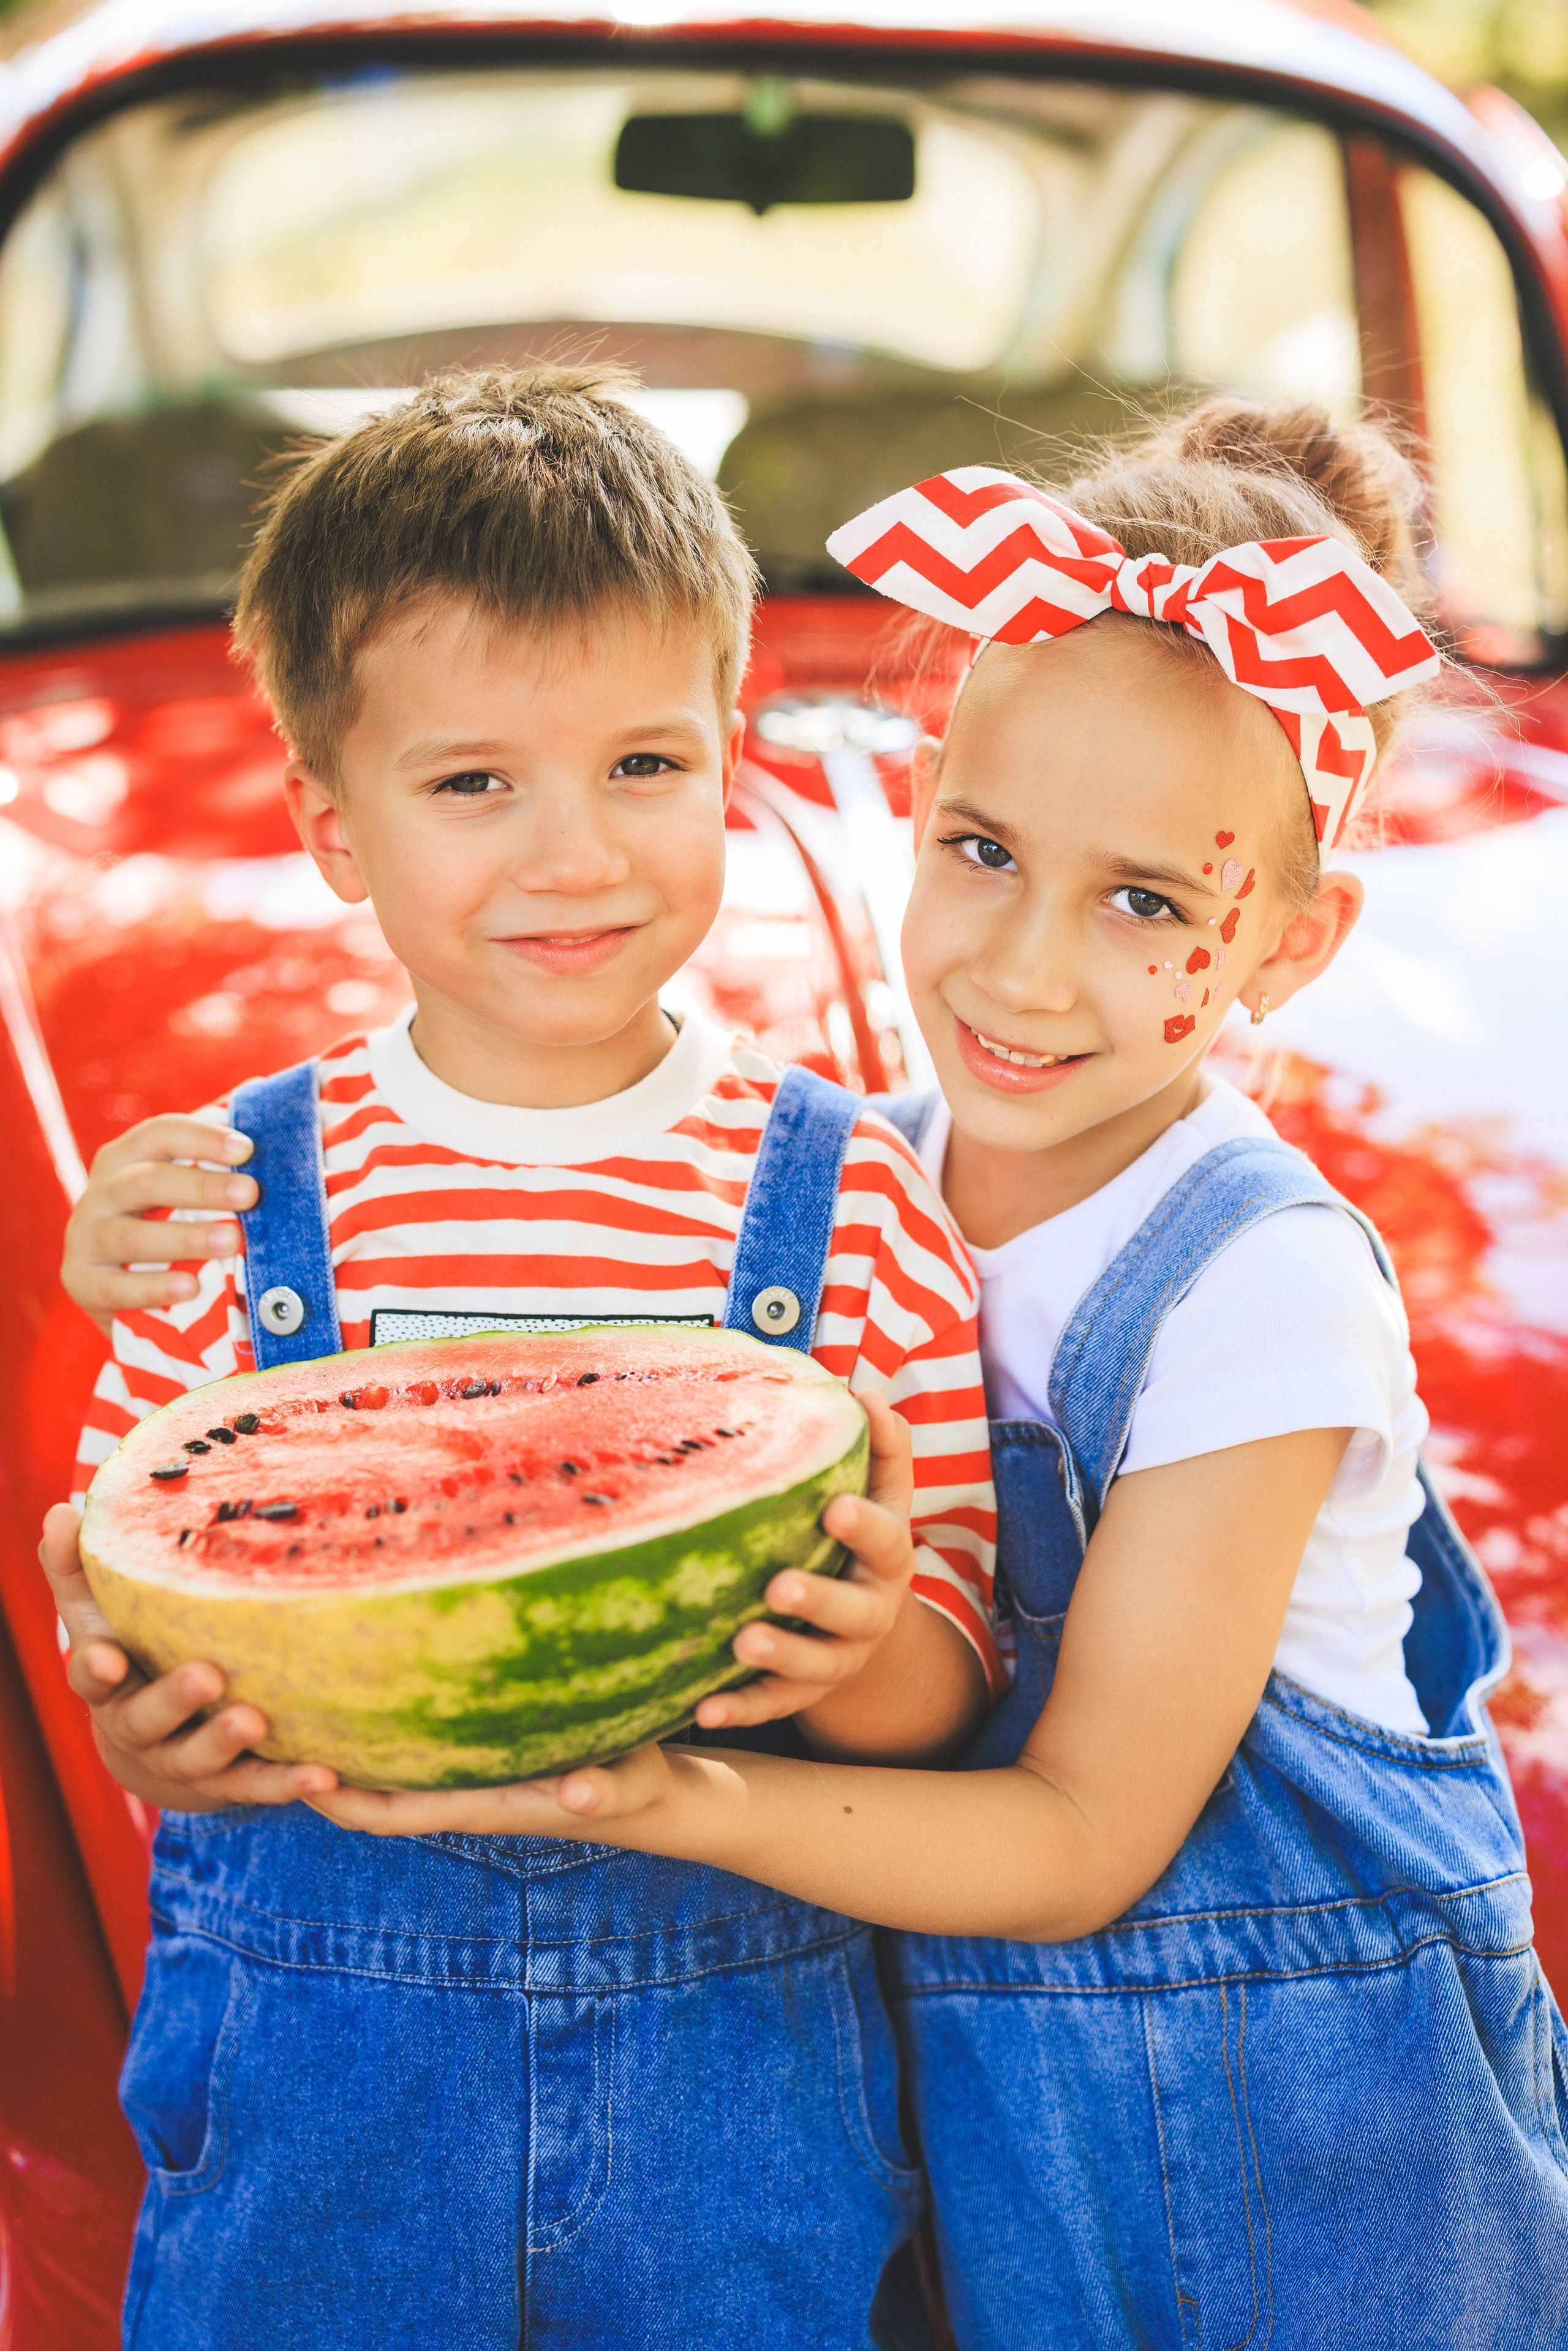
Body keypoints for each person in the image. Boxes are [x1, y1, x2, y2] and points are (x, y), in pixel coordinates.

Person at [178, 399, 1555, 2347]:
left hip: (1307, 2200)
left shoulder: (1259, 1293)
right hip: (992, 2185)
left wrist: (662, 1798)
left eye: (1146, 901)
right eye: (982, 851)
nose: (1021, 966)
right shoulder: (853, 1199)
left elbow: (1081, 1840)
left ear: (1290, 942)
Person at [42, 363, 999, 2351]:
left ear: (729, 761)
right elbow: (148, 1637)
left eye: (644, 768)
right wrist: (149, 1722)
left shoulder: (859, 1211)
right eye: (474, 782)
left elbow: (939, 1694)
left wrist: (875, 1648)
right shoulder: (230, 1202)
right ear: (332, 823)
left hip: (733, 2106)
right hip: (329, 2090)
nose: (572, 855)